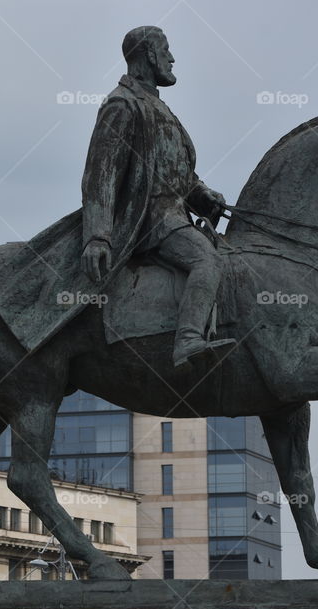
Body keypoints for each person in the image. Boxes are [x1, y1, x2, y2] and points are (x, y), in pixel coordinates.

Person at [81, 25, 233, 366]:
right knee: (206, 260)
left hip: (176, 215)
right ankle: (188, 339)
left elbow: (174, 173)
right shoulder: (122, 104)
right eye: (166, 51)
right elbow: (99, 176)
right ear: (149, 54)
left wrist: (202, 195)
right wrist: (97, 235)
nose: (172, 58)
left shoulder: (159, 108)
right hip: (151, 220)